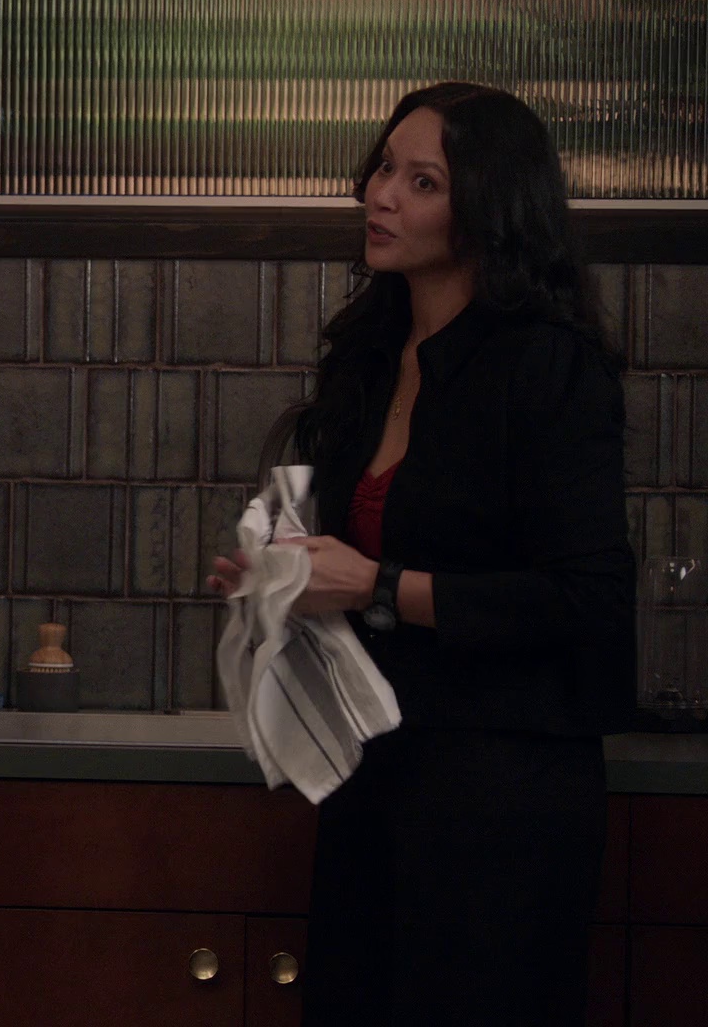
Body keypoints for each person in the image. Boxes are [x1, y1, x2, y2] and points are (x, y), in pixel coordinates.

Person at [209, 82, 634, 1026]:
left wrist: (378, 585)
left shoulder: (548, 366)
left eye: (422, 181)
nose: (382, 194)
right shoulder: (370, 356)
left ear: (488, 208)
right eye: (384, 168)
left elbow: (589, 601)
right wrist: (284, 580)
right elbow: (354, 560)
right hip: (374, 775)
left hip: (503, 801)